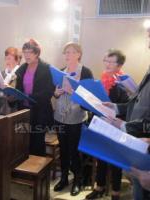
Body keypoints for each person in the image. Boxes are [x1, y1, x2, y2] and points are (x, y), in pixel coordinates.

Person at [103, 29, 150, 200]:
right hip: (136, 138)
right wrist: (115, 107)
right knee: (138, 188)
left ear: (119, 65)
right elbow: (137, 102)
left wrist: (123, 125)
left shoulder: (120, 80)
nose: (148, 41)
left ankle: (115, 191)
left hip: (140, 135)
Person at [85, 49, 129, 200]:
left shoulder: (124, 84)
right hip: (100, 124)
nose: (108, 64)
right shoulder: (101, 80)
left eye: (112, 62)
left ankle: (116, 191)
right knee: (101, 157)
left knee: (116, 160)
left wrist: (113, 113)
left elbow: (127, 108)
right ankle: (100, 187)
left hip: (116, 127)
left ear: (120, 65)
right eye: (106, 61)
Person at [53, 42, 93, 196]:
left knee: (74, 150)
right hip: (60, 117)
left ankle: (77, 179)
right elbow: (55, 94)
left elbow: (90, 98)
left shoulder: (86, 72)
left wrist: (74, 92)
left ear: (79, 54)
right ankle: (63, 178)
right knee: (63, 149)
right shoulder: (61, 72)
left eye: (71, 52)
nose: (68, 55)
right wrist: (56, 93)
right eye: (66, 52)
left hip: (76, 118)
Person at [15, 39, 54, 156]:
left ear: (37, 53)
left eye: (29, 52)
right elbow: (19, 89)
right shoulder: (21, 68)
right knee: (24, 143)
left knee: (37, 144)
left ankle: (39, 172)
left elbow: (48, 92)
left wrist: (29, 96)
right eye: (24, 52)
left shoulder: (46, 68)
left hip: (40, 112)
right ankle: (26, 171)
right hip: (24, 111)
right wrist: (13, 95)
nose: (26, 55)